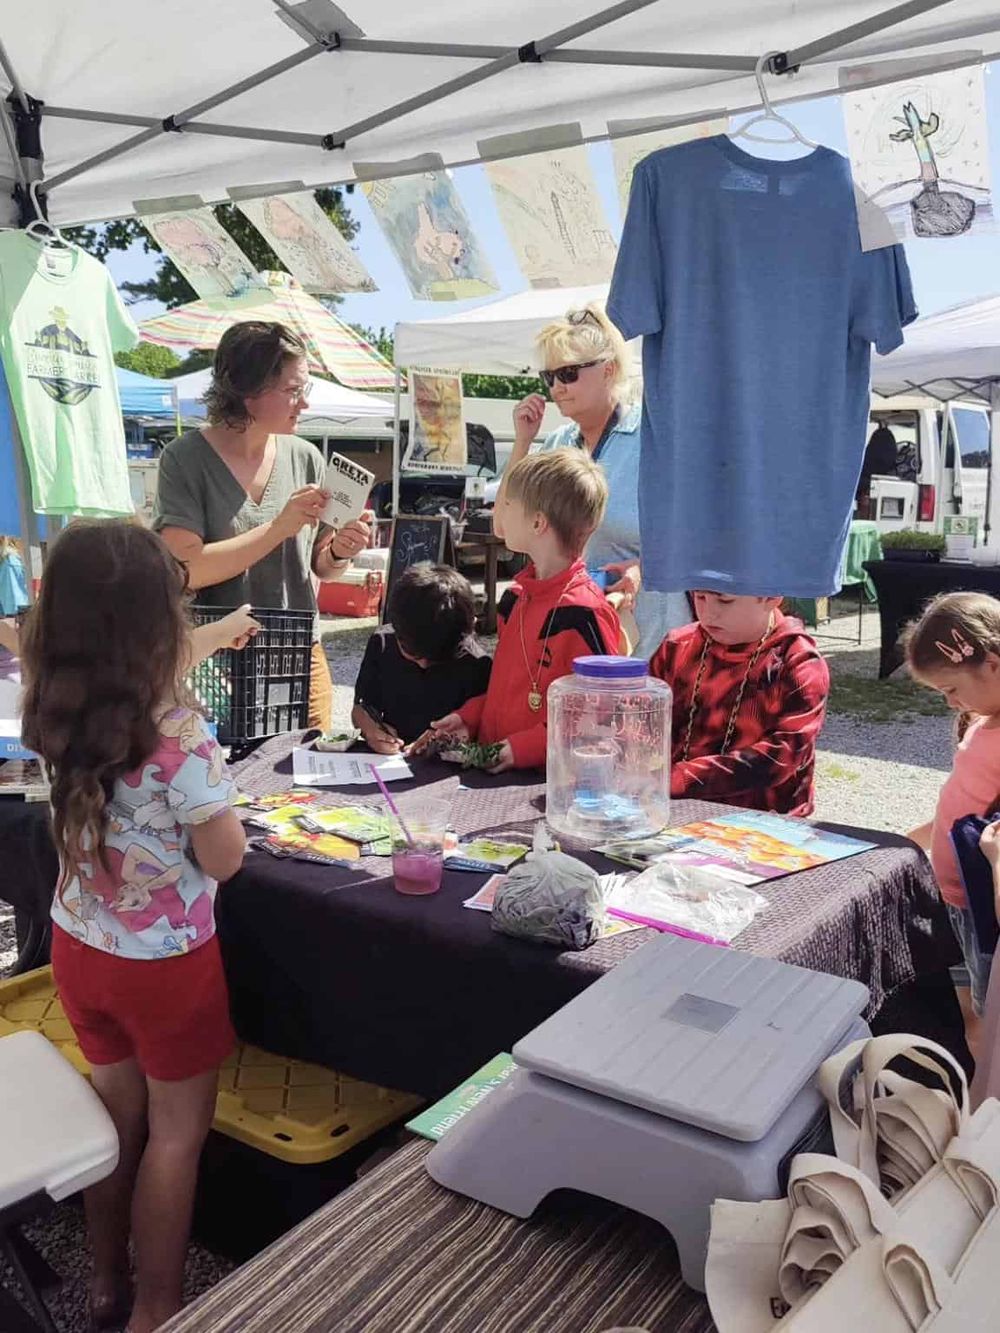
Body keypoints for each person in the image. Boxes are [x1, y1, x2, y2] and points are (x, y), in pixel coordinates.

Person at [20, 521, 249, 1333]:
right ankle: (157, 1307)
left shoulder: (51, 703)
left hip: (81, 952)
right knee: (175, 1138)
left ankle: (106, 1284)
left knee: (112, 1121)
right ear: (160, 623)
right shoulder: (180, 734)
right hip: (166, 970)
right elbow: (224, 860)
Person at [153, 320, 373, 732]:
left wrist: (341, 550)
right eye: (293, 390)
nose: (303, 404)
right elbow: (185, 571)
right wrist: (277, 528)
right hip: (215, 664)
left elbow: (321, 566)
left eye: (304, 390)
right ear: (247, 391)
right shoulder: (184, 460)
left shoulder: (305, 456)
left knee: (308, 784)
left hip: (300, 655)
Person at [497, 303, 688, 660]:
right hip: (578, 640)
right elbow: (503, 526)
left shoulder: (653, 439)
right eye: (548, 377)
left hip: (653, 644)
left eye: (568, 373)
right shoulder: (556, 445)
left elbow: (695, 530)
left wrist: (642, 569)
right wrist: (522, 442)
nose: (556, 387)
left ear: (609, 370)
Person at [415, 450, 620, 772]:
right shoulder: (515, 600)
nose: (499, 512)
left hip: (547, 791)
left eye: (508, 504)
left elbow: (601, 718)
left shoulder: (586, 613)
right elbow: (506, 694)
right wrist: (469, 717)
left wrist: (522, 748)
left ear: (538, 522)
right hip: (495, 776)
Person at [903, 592, 1000, 1028]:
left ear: (993, 665)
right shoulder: (984, 723)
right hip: (957, 897)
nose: (950, 703)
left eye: (952, 689)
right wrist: (918, 836)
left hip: (985, 902)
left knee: (992, 1008)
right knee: (971, 999)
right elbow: (965, 803)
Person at [649, 591, 829, 816]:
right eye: (700, 597)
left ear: (771, 596)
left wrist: (679, 779)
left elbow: (781, 756)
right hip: (672, 808)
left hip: (763, 821)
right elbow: (645, 723)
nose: (708, 613)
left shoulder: (798, 663)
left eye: (725, 600)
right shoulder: (677, 646)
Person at [352, 563, 492, 750]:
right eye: (413, 655)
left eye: (436, 659)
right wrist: (372, 731)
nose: (424, 664)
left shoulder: (477, 665)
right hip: (392, 759)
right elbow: (361, 708)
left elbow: (481, 727)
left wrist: (442, 742)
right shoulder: (383, 643)